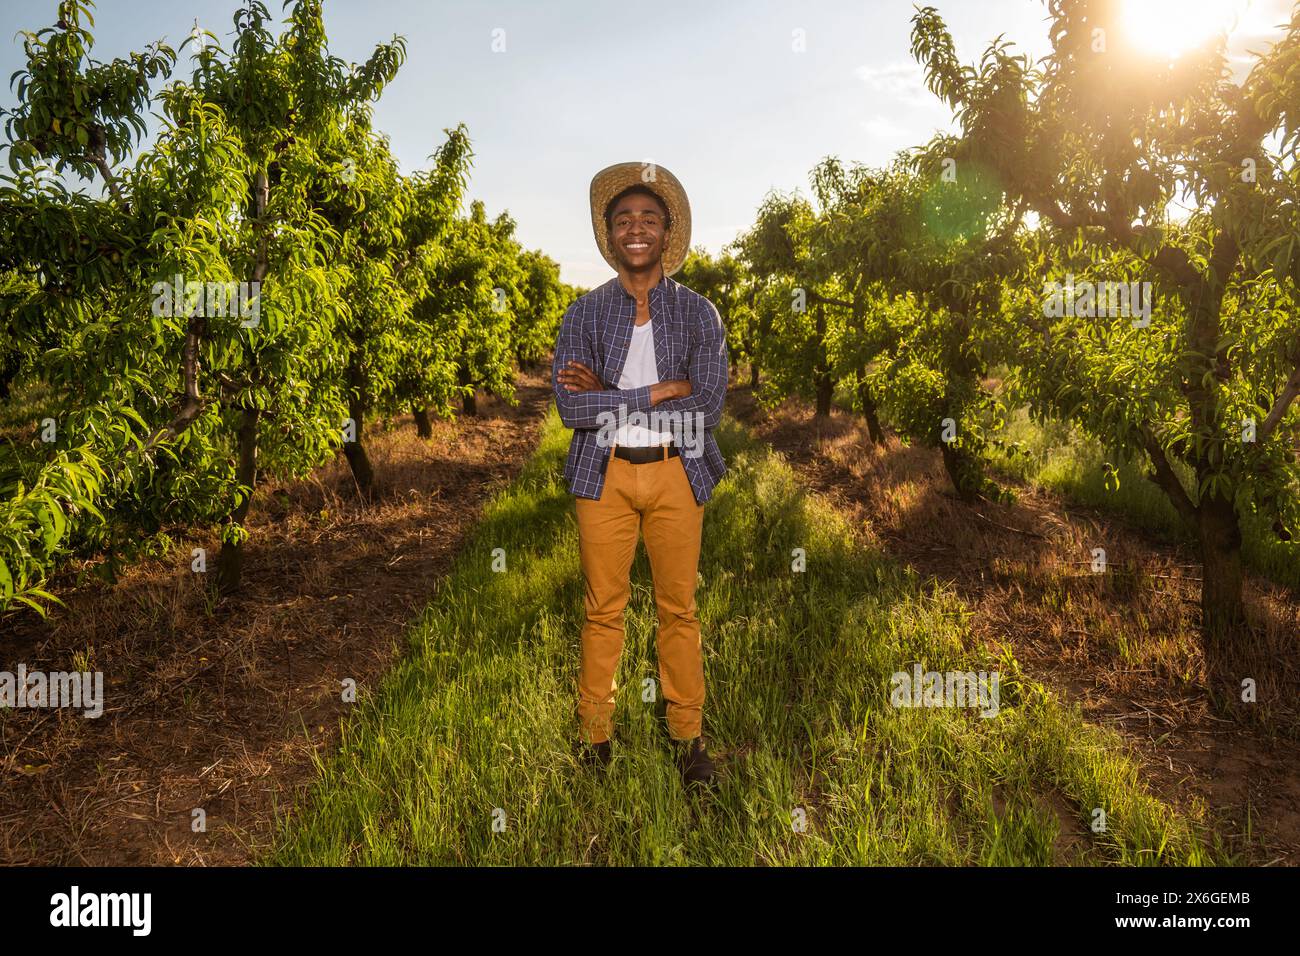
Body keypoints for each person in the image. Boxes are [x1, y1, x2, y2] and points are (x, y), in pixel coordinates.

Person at [551, 161, 728, 788]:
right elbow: (572, 407)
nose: (636, 228)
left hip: (679, 472)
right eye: (624, 219)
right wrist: (658, 391)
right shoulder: (583, 314)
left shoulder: (700, 314)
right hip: (605, 475)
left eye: (648, 219)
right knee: (604, 609)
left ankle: (687, 737)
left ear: (666, 231)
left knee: (678, 609)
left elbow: (705, 407)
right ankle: (594, 737)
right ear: (609, 233)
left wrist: (614, 392)